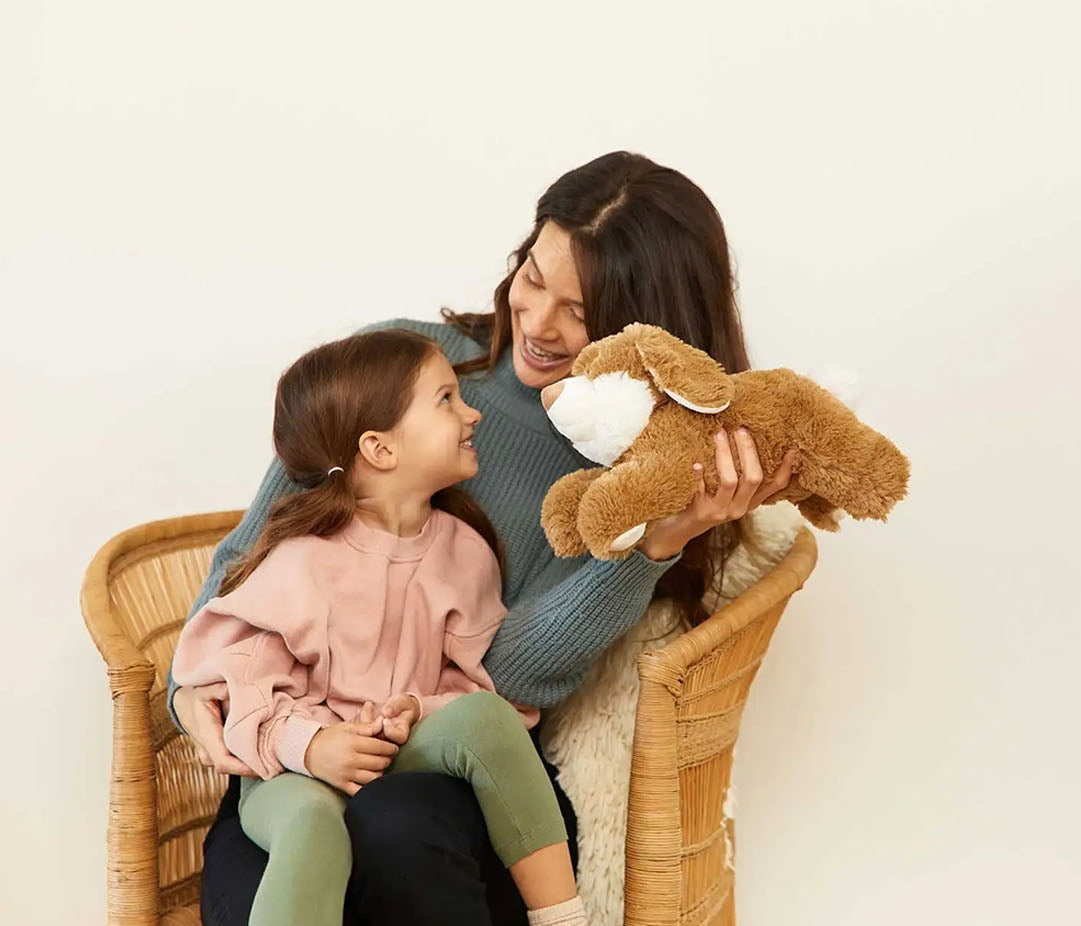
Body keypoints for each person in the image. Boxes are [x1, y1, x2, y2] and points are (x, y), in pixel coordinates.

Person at [169, 151, 794, 925]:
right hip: (304, 754)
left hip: (470, 781)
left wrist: (652, 544)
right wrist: (193, 690)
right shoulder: (396, 363)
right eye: (534, 277)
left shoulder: (631, 463)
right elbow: (252, 563)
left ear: (649, 328)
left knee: (392, 829)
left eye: (582, 309)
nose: (538, 324)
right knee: (275, 869)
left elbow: (506, 675)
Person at [172, 329, 588, 926]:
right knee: (314, 826)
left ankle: (565, 918)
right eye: (446, 399)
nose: (471, 413)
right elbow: (245, 697)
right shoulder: (299, 561)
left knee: (493, 719)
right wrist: (315, 747)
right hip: (295, 771)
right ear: (380, 448)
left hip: (399, 753)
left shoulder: (466, 554)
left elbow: (470, 685)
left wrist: (413, 711)